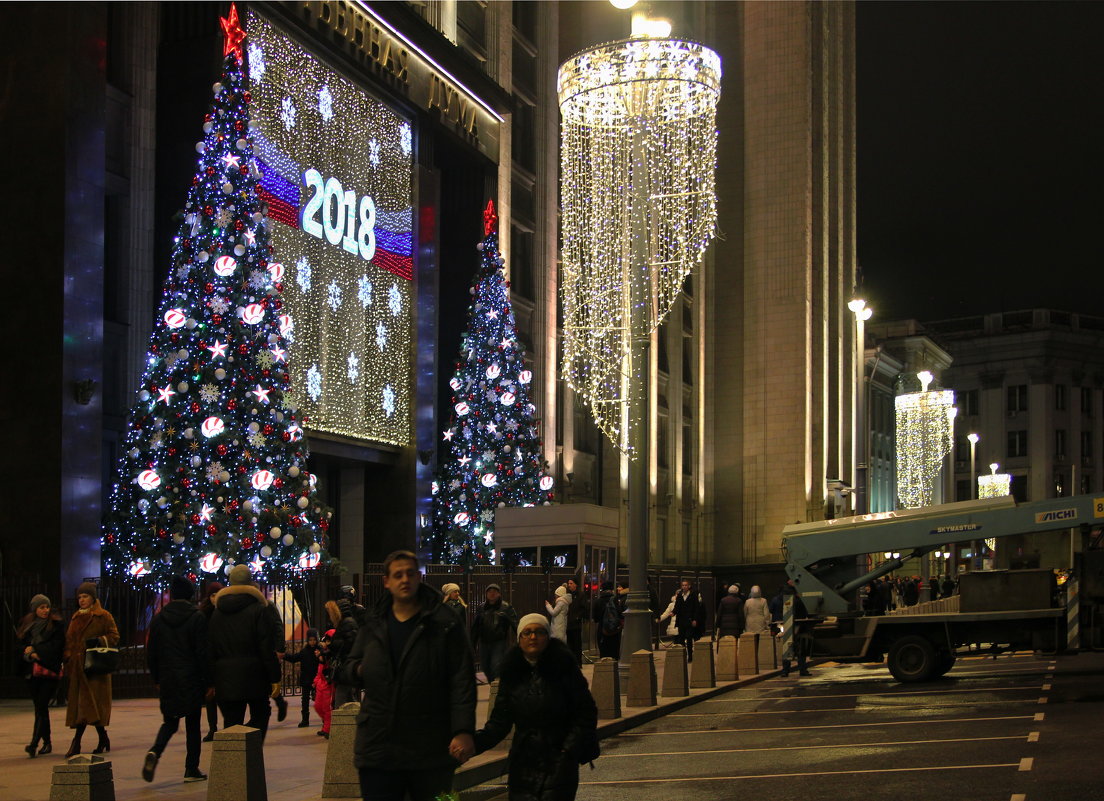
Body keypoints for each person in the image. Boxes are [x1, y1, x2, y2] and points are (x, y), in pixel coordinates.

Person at [341, 550, 476, 801]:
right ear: (387, 581)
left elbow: (462, 679)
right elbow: (350, 666)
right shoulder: (374, 621)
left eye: (410, 574)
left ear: (419, 578)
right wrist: (362, 669)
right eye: (398, 575)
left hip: (430, 747)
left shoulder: (444, 622)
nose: (404, 580)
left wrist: (463, 730)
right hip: (378, 746)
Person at [473, 614, 599, 801]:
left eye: (540, 632)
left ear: (548, 636)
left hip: (558, 763)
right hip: (523, 763)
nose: (533, 637)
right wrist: (471, 744)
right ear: (519, 638)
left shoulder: (564, 667)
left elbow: (586, 712)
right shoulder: (511, 673)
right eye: (527, 632)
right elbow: (500, 722)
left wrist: (567, 750)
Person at [142, 576, 211, 783]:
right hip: (191, 678)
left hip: (168, 677)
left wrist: (156, 678)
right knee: (193, 725)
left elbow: (151, 652)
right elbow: (202, 652)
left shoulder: (158, 620)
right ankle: (191, 769)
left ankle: (155, 750)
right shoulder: (197, 618)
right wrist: (208, 681)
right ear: (190, 595)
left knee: (170, 722)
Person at [207, 564, 280, 740]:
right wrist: (274, 677)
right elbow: (266, 647)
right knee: (261, 715)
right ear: (250, 582)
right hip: (255, 676)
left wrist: (211, 680)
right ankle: (251, 758)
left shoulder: (217, 613)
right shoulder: (259, 610)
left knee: (232, 724)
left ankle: (233, 764)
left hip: (225, 677)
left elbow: (210, 649)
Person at [64, 581, 120, 758]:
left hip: (95, 669)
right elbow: (69, 641)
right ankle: (99, 738)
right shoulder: (75, 618)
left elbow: (114, 636)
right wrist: (68, 657)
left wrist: (99, 641)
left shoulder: (103, 616)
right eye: (79, 597)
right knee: (85, 707)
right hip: (79, 669)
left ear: (93, 598)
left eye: (85, 596)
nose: (82, 600)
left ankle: (77, 743)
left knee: (91, 706)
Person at [17, 593, 65, 757]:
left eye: (47, 607)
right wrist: (28, 654)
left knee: (42, 705)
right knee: (40, 707)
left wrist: (37, 652)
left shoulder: (56, 625)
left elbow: (56, 647)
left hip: (48, 671)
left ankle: (34, 744)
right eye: (41, 607)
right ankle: (47, 742)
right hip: (32, 673)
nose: (45, 610)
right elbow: (20, 646)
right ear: (35, 609)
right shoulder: (28, 625)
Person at [472, 583, 518, 683]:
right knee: (485, 667)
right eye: (489, 591)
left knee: (496, 666)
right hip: (484, 642)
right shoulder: (481, 608)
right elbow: (475, 627)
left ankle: (497, 689)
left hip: (499, 641)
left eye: (495, 592)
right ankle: (493, 685)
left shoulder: (506, 607)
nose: (492, 594)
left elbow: (515, 624)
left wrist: (520, 639)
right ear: (486, 594)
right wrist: (472, 643)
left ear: (499, 594)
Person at [198, 581, 224, 742]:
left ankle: (229, 726)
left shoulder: (224, 612)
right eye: (213, 595)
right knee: (210, 698)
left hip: (222, 659)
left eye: (218, 595)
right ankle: (212, 728)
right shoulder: (204, 614)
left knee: (223, 696)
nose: (215, 598)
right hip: (209, 660)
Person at [283, 629, 323, 728]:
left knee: (321, 701)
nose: (312, 642)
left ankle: (325, 719)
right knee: (305, 700)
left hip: (318, 679)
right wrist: (284, 655)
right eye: (310, 640)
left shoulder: (319, 651)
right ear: (307, 640)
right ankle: (305, 720)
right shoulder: (305, 651)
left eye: (314, 640)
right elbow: (294, 658)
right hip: (306, 679)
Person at [325, 598, 360, 707]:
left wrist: (332, 645)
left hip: (346, 670)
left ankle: (344, 723)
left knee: (342, 702)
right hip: (345, 670)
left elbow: (350, 644)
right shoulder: (345, 623)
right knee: (346, 700)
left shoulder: (348, 623)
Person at [780, 581, 814, 678]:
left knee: (787, 648)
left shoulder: (780, 599)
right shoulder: (799, 600)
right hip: (799, 626)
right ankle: (802, 669)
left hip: (786, 626)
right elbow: (805, 612)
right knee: (801, 649)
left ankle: (785, 671)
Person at [672, 579, 706, 661]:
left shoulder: (693, 595)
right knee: (681, 638)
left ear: (689, 586)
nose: (684, 587)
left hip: (690, 620)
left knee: (689, 637)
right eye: (683, 585)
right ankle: (684, 654)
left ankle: (690, 655)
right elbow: (677, 606)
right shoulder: (680, 595)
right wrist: (673, 612)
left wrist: (695, 619)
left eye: (685, 585)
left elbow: (696, 608)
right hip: (681, 620)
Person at [313, 629, 335, 739]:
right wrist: (316, 682)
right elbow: (319, 672)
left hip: (327, 686)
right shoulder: (322, 661)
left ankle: (327, 729)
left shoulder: (329, 659)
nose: (315, 652)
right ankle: (326, 724)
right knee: (317, 706)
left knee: (326, 708)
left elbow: (327, 672)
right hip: (320, 685)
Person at [591, 582, 622, 659]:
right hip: (615, 631)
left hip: (602, 631)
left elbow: (595, 619)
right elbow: (620, 614)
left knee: (604, 655)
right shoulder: (615, 600)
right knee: (614, 654)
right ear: (612, 589)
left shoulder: (598, 601)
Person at [561, 578, 585, 665]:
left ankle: (578, 662)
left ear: (576, 584)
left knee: (577, 644)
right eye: (568, 583)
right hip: (567, 624)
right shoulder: (567, 595)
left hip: (575, 624)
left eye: (571, 583)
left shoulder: (580, 595)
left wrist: (578, 617)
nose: (569, 585)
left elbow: (584, 608)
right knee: (569, 644)